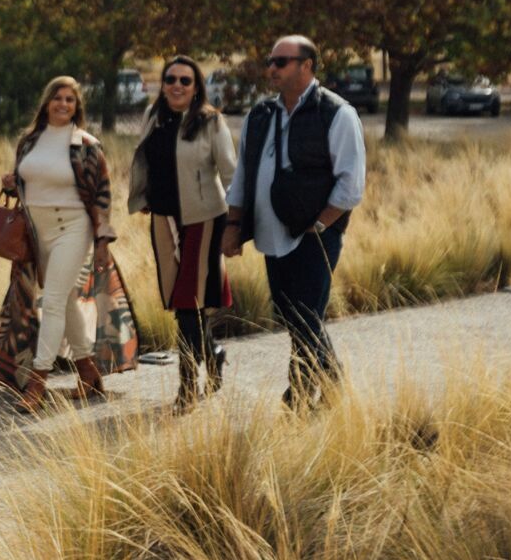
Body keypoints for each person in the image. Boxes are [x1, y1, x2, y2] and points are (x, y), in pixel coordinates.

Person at [222, 36, 366, 410]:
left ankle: (298, 397)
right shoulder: (259, 115)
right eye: (270, 61)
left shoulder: (336, 113)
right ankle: (331, 385)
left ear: (307, 65)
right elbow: (243, 176)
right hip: (270, 236)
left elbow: (351, 185)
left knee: (304, 315)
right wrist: (233, 225)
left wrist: (319, 226)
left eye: (281, 61)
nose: (272, 68)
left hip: (316, 236)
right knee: (296, 316)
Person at [0, 76, 141, 413]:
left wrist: (102, 240)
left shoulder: (87, 145)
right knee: (66, 300)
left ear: (77, 106)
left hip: (73, 229)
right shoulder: (29, 141)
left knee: (53, 301)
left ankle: (37, 383)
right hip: (36, 232)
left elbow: (102, 196)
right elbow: (28, 182)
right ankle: (88, 373)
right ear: (47, 103)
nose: (63, 104)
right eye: (58, 98)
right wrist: (12, 185)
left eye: (70, 100)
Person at [128, 55, 237, 413]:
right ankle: (213, 353)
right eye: (171, 79)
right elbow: (145, 160)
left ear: (196, 87)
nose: (177, 86)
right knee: (181, 301)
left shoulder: (211, 121)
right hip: (163, 218)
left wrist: (237, 224)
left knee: (189, 300)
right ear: (163, 84)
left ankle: (187, 387)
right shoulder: (153, 116)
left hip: (204, 219)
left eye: (185, 81)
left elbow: (231, 173)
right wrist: (142, 196)